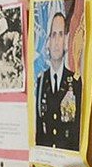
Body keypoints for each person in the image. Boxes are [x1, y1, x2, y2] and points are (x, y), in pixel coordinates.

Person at [34, 9, 81, 151]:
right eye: (53, 35)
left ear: (66, 40)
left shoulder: (75, 82)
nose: (56, 41)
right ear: (47, 41)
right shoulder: (42, 81)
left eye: (60, 35)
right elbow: (40, 129)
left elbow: (76, 130)